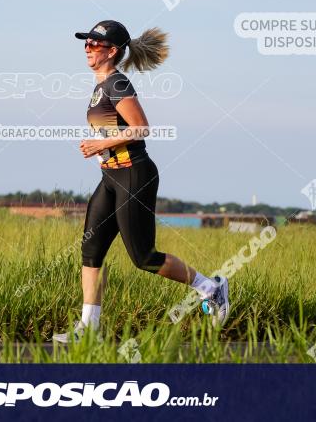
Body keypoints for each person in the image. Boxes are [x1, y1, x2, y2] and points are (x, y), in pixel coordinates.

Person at [53, 21, 229, 343]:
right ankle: (88, 330)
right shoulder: (100, 87)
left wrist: (100, 144)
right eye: (87, 42)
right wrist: (99, 148)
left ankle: (211, 289)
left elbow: (141, 128)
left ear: (113, 51)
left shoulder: (117, 85)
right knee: (91, 250)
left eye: (95, 43)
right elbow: (113, 130)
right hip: (111, 176)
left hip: (134, 174)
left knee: (143, 257)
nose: (88, 48)